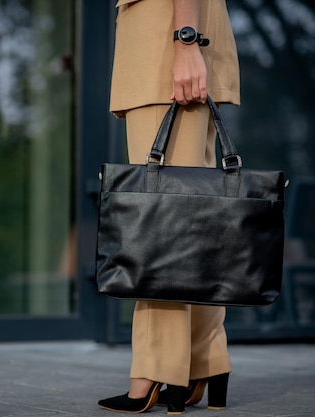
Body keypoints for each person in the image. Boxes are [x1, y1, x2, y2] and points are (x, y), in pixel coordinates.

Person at [97, 0, 241, 414]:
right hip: (172, 49)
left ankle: (156, 371)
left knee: (160, 228)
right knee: (194, 225)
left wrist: (184, 42)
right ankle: (205, 360)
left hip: (163, 55)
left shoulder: (178, 46)